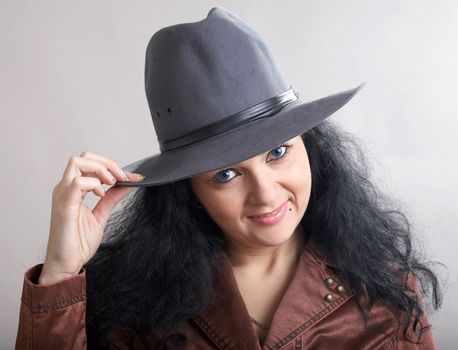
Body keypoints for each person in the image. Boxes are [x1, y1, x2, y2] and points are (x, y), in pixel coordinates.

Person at [15, 6, 443, 350]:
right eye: (225, 174)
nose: (265, 193)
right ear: (190, 191)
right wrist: (59, 275)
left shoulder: (385, 288)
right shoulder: (131, 303)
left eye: (278, 152)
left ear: (310, 148)